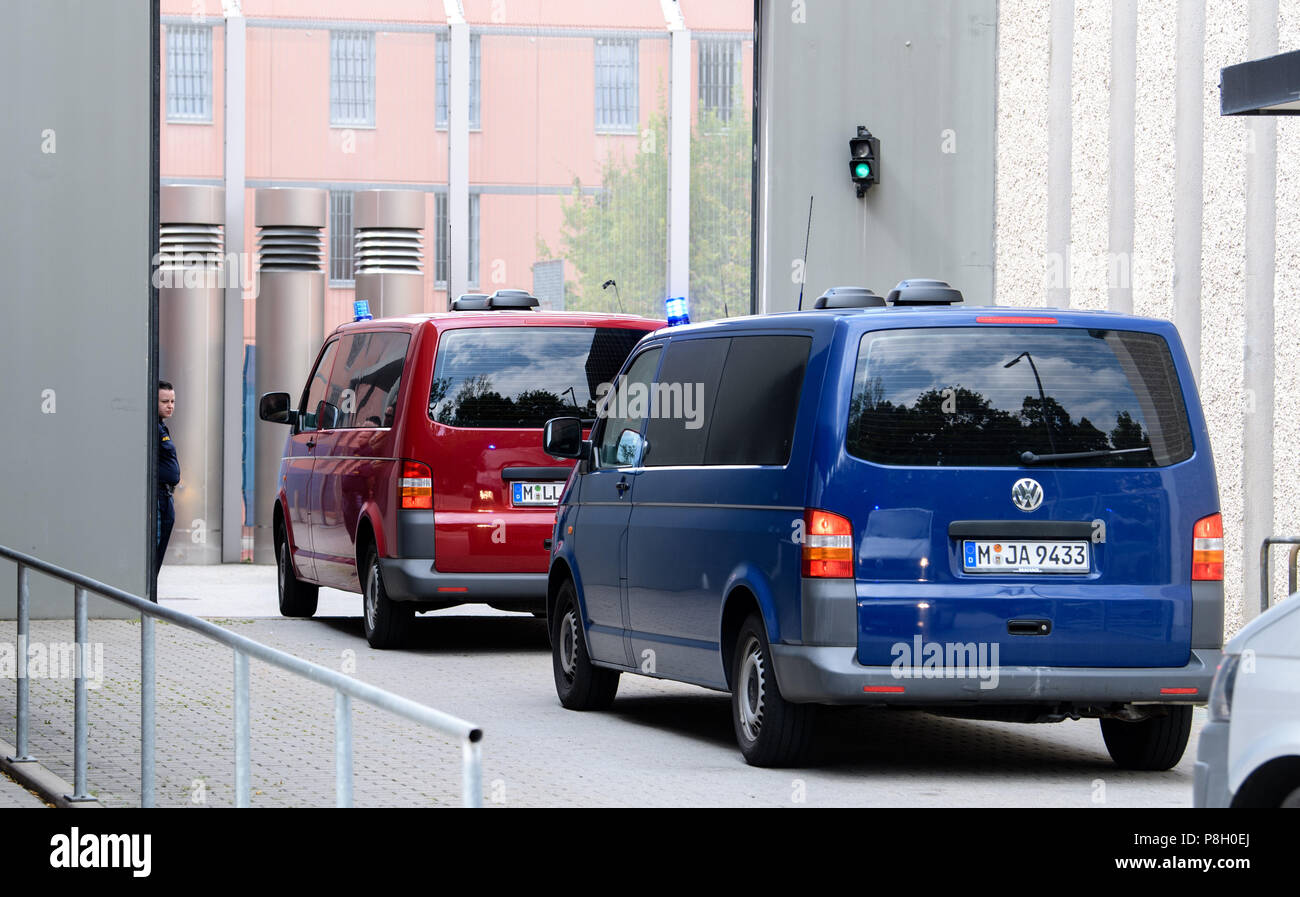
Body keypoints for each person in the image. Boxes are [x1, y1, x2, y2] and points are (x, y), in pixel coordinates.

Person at [156, 380, 180, 583]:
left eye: (172, 401)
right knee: (154, 546)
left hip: (166, 495)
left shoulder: (162, 427)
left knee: (160, 545)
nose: (170, 405)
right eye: (165, 401)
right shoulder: (152, 429)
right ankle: (148, 599)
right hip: (157, 497)